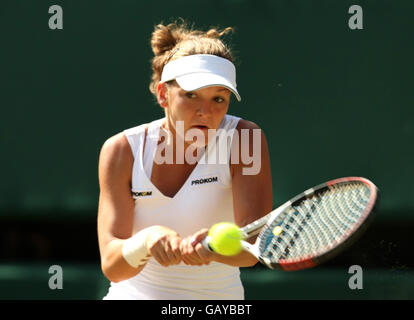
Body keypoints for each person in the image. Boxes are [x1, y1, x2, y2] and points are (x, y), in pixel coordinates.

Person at [97, 20, 273, 300]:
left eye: (219, 98)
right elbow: (113, 266)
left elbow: (251, 247)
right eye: (191, 95)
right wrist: (147, 240)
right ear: (164, 94)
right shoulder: (121, 150)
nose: (206, 111)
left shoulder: (244, 139)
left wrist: (213, 246)